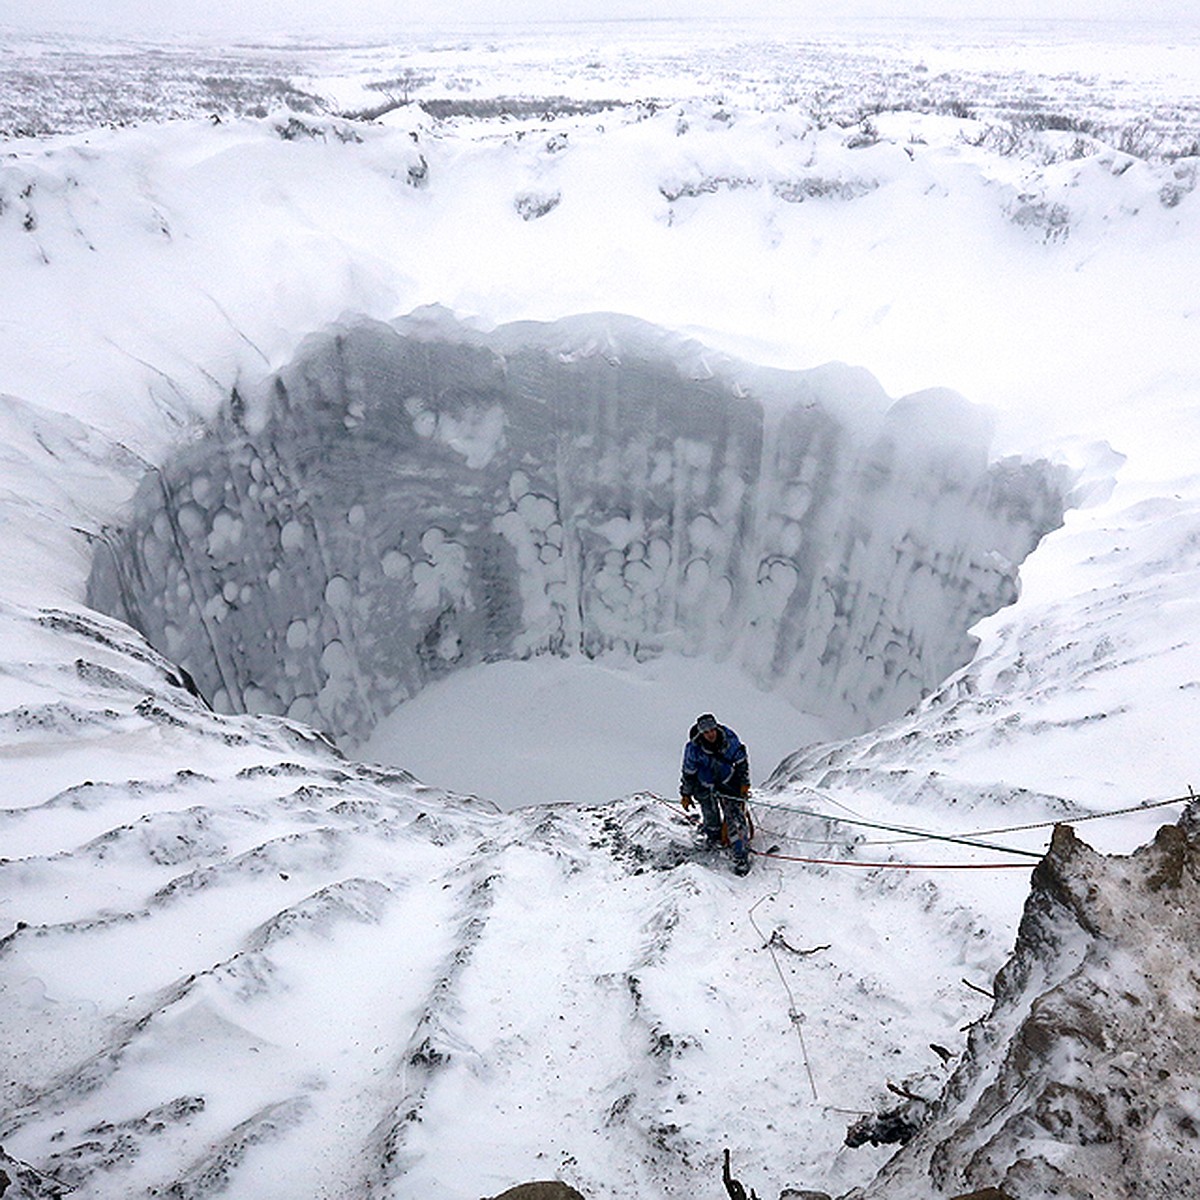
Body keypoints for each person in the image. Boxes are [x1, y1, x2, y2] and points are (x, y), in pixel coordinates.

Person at [680, 712, 752, 875]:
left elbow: (741, 762)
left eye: (712, 730)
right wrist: (686, 793)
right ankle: (714, 839)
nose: (710, 734)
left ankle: (741, 856)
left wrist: (744, 784)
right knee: (710, 814)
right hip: (704, 785)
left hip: (728, 783)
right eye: (706, 732)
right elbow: (688, 772)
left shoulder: (730, 740)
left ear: (716, 728)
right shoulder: (693, 748)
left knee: (735, 816)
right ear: (701, 733)